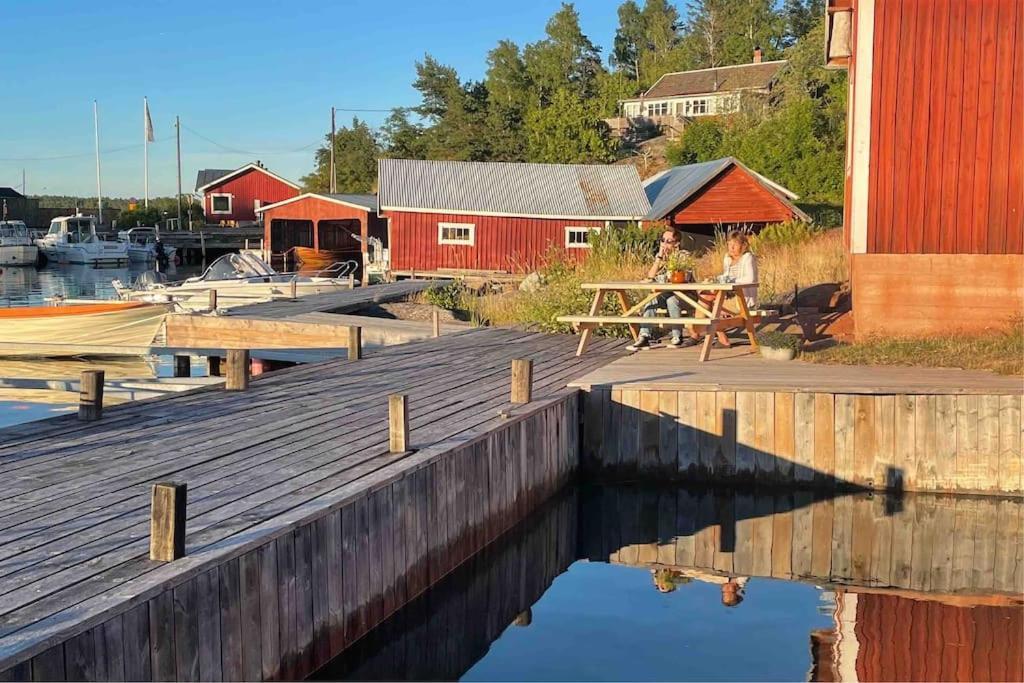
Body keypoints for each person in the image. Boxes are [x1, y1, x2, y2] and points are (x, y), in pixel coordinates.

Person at [685, 229, 759, 348]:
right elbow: (726, 276)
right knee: (705, 296)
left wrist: (730, 282)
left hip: (743, 300)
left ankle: (696, 331)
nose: (731, 248)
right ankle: (699, 328)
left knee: (711, 303)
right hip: (728, 296)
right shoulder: (727, 258)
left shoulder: (748, 257)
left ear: (743, 245)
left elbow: (750, 279)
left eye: (735, 244)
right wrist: (715, 280)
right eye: (729, 244)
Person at [627, 228, 696, 351]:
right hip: (665, 292)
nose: (664, 244)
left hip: (686, 295)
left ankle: (677, 336)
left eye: (668, 241)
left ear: (676, 243)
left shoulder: (683, 256)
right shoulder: (661, 257)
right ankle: (644, 336)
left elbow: (683, 279)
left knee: (672, 300)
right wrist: (659, 257)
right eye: (662, 240)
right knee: (652, 298)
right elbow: (650, 276)